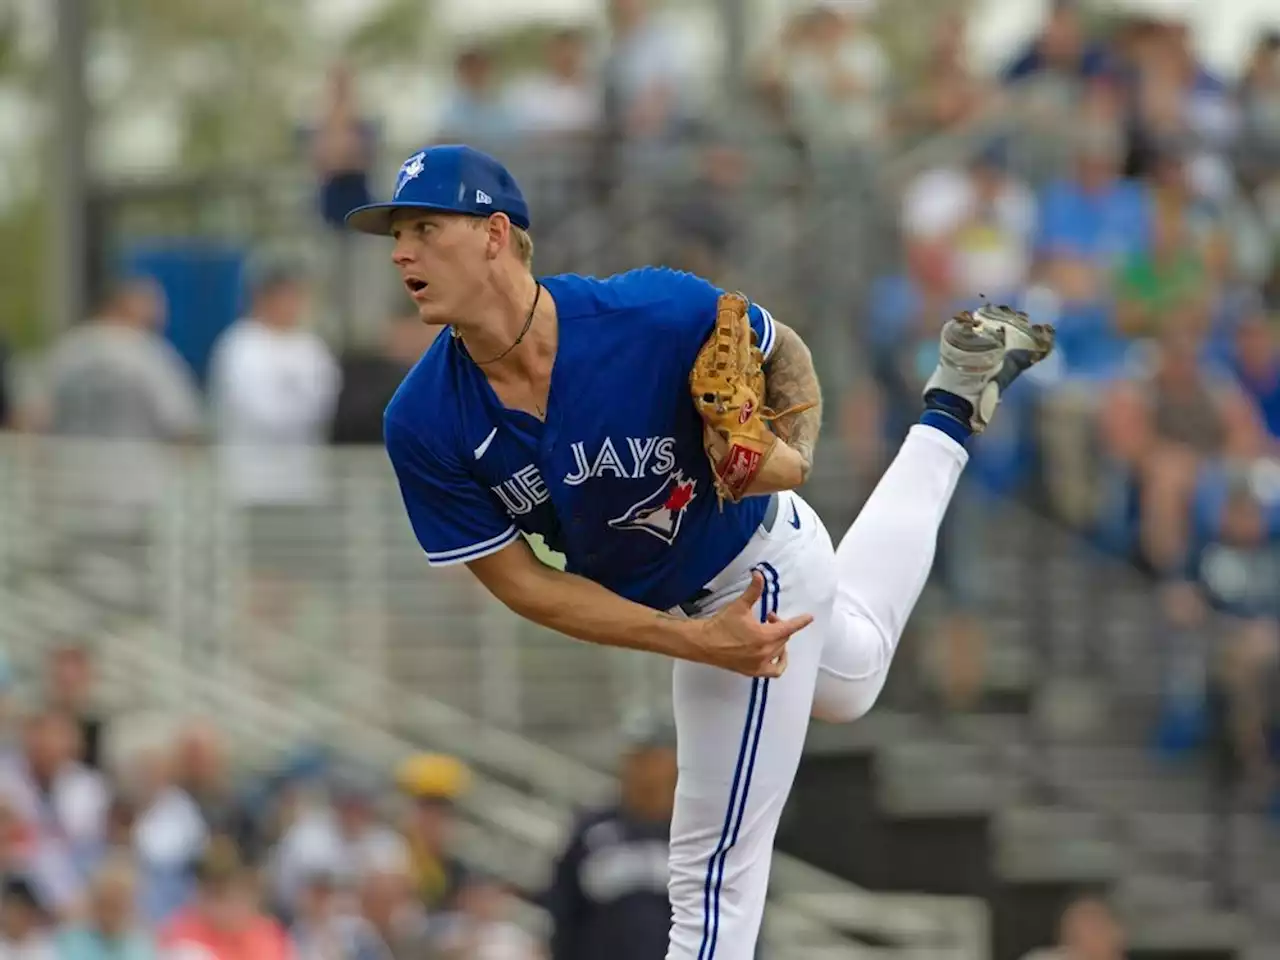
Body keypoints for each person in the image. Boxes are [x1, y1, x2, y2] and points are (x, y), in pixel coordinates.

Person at [346, 144, 1055, 959]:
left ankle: (949, 410)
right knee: (853, 680)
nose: (402, 252)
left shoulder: (648, 312)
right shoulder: (424, 419)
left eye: (426, 228)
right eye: (396, 234)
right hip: (711, 603)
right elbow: (523, 586)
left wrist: (790, 452)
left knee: (711, 875)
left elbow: (781, 349)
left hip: (754, 577)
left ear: (496, 235)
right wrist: (688, 641)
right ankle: (953, 406)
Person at [544, 728, 677, 960]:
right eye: (640, 759)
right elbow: (563, 907)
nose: (648, 771)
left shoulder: (695, 836)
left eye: (657, 759)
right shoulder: (592, 831)